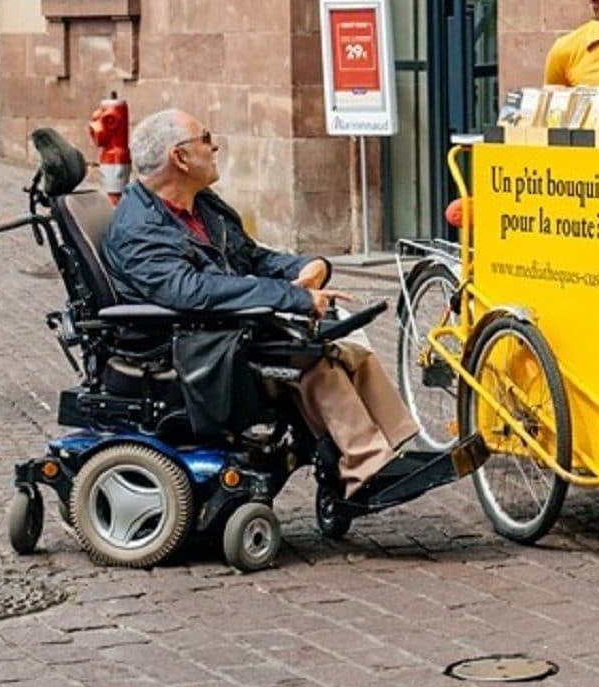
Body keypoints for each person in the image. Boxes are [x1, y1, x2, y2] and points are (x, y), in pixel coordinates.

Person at [102, 108, 435, 497]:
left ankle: (393, 447)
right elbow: (189, 292)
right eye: (206, 138)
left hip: (221, 328)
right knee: (312, 356)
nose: (215, 146)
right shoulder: (139, 228)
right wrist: (291, 297)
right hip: (184, 346)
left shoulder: (202, 205)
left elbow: (251, 257)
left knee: (341, 333)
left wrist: (309, 266)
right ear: (180, 157)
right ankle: (366, 469)